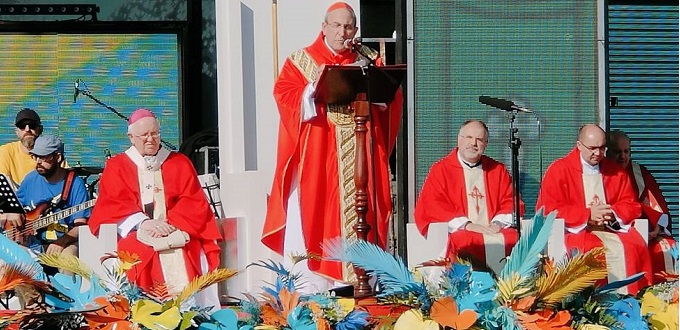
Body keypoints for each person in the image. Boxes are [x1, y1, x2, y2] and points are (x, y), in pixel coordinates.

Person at [261, 2, 403, 291]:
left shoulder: (369, 60)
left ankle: (367, 281)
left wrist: (378, 91)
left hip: (362, 153)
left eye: (348, 26)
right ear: (324, 28)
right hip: (320, 155)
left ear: (356, 30)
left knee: (369, 212)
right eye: (336, 26)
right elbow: (285, 96)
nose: (342, 32)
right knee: (318, 215)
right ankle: (317, 289)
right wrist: (313, 89)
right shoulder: (301, 61)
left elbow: (392, 98)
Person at [88, 109, 221, 307]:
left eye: (155, 134)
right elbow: (112, 204)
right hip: (136, 232)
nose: (151, 139)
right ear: (131, 137)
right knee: (136, 252)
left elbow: (193, 202)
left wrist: (169, 225)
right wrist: (143, 223)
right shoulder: (117, 166)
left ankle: (192, 314)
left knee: (189, 252)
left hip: (177, 229)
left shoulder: (180, 162)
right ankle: (141, 312)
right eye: (144, 135)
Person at [536, 124, 651, 294]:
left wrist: (611, 213)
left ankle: (635, 298)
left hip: (611, 230)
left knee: (635, 246)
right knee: (591, 248)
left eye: (602, 148)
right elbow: (549, 208)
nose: (598, 153)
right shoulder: (559, 170)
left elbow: (631, 204)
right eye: (592, 148)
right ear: (579, 145)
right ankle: (593, 305)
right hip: (576, 232)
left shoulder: (616, 172)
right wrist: (588, 216)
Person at [414, 120, 521, 272]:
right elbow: (433, 205)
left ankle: (511, 288)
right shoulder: (441, 170)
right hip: (460, 231)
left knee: (513, 238)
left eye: (479, 139)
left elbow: (511, 201)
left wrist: (497, 224)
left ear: (486, 143)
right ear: (459, 139)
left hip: (492, 228)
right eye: (469, 137)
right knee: (462, 240)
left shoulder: (497, 170)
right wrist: (468, 225)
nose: (473, 143)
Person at [607, 130, 676, 283]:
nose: (623, 156)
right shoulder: (600, 173)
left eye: (626, 151)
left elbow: (656, 205)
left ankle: (666, 296)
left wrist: (656, 227)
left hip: (644, 231)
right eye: (617, 152)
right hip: (612, 232)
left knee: (667, 247)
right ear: (607, 152)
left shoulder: (639, 173)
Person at [3, 135, 91, 256]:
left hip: (65, 242)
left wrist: (62, 242)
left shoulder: (76, 184)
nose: (38, 162)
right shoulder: (31, 179)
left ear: (58, 157)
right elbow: (14, 207)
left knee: (68, 256)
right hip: (31, 243)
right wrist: (12, 212)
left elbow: (81, 225)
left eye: (44, 157)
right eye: (36, 156)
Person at [0, 108, 43, 187]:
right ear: (17, 132)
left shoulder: (51, 153)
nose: (27, 129)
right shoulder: (6, 151)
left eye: (32, 125)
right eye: (22, 126)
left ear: (40, 129)